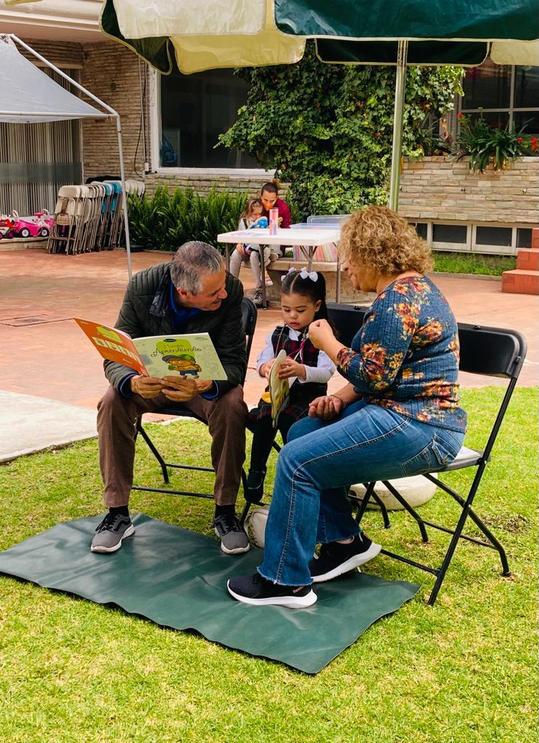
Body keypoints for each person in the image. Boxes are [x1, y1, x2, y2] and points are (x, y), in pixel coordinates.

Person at [227, 205, 467, 608]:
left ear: (373, 254)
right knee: (303, 431)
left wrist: (328, 344)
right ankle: (344, 541)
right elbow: (386, 370)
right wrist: (338, 397)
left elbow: (374, 376)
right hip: (399, 413)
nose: (347, 268)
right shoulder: (411, 290)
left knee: (298, 461)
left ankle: (285, 580)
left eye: (350, 258)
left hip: (421, 426)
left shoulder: (397, 302)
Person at [92, 241, 250, 556]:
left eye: (222, 287)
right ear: (184, 291)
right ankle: (117, 513)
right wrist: (132, 382)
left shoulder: (230, 290)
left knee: (233, 404)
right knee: (111, 401)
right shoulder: (141, 287)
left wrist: (207, 384)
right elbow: (115, 353)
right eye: (213, 292)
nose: (223, 294)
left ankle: (226, 511)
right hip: (150, 385)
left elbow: (235, 362)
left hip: (201, 388)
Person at [245, 268, 335, 502]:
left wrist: (302, 370)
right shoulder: (277, 333)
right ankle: (256, 470)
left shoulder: (322, 335)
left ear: (316, 306)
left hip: (307, 398)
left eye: (300, 310)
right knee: (265, 417)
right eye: (286, 310)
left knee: (288, 422)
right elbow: (261, 360)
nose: (292, 316)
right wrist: (266, 368)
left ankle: (295, 473)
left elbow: (327, 372)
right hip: (276, 395)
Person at [229, 198, 272, 306]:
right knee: (235, 254)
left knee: (253, 255)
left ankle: (259, 289)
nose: (257, 217)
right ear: (248, 213)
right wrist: (239, 243)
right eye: (254, 214)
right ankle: (231, 286)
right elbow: (240, 236)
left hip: (259, 250)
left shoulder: (264, 222)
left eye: (259, 214)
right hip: (246, 248)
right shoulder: (244, 222)